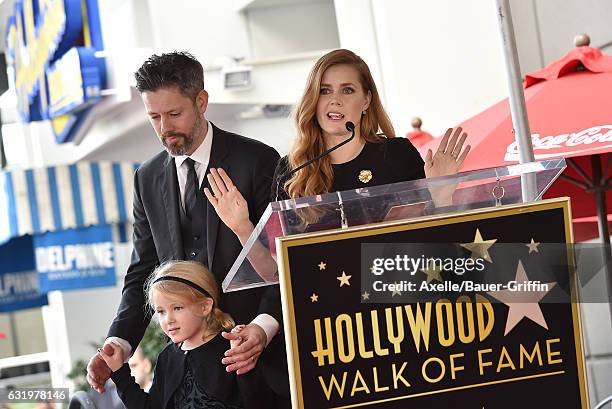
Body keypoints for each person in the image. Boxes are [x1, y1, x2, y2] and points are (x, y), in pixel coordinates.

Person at [86, 52, 288, 407]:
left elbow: (284, 258)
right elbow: (141, 272)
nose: (164, 128)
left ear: (201, 101)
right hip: (189, 372)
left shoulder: (258, 160)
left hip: (263, 365)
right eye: (154, 117)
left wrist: (264, 327)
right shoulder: (146, 179)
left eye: (174, 114)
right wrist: (117, 343)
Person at [205, 48, 469, 253]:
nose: (335, 100)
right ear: (313, 100)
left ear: (366, 100)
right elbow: (277, 274)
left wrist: (441, 197)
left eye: (348, 90)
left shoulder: (397, 154)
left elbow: (438, 246)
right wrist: (242, 229)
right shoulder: (291, 170)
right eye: (324, 91)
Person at [98, 261, 270, 409]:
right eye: (161, 312)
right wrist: (119, 372)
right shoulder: (167, 357)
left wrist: (244, 370)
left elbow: (258, 402)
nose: (168, 320)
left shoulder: (231, 348)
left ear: (205, 306)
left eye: (177, 308)